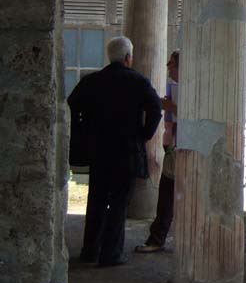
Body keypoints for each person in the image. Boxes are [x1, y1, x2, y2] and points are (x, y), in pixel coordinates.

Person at [68, 36, 161, 267]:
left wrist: (83, 132)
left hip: (99, 150)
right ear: (129, 57)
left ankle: (90, 250)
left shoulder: (92, 81)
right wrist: (143, 135)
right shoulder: (138, 81)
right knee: (119, 203)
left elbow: (71, 106)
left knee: (97, 200)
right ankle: (110, 254)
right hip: (127, 151)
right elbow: (156, 109)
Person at [135, 49, 179, 253]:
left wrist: (169, 105)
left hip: (181, 146)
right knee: (167, 193)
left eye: (171, 63)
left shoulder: (189, 87)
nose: (168, 67)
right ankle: (158, 237)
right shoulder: (175, 85)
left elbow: (190, 113)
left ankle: (158, 237)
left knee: (168, 193)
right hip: (172, 144)